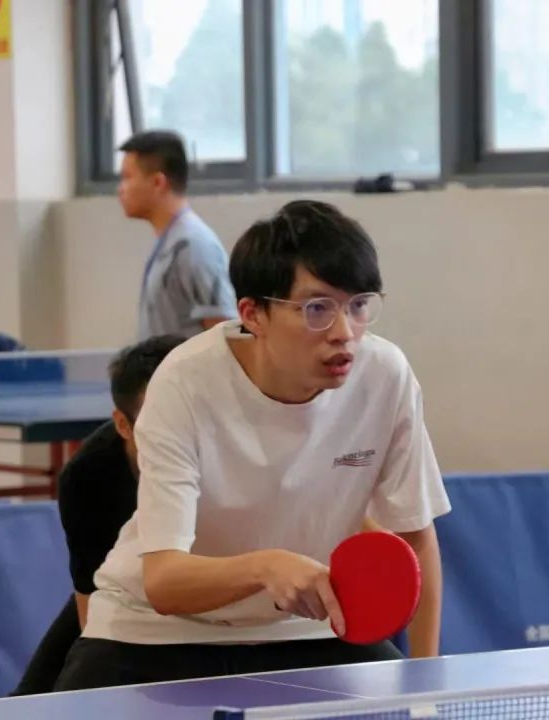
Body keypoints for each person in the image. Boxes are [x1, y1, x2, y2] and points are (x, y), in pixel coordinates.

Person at [54, 199, 451, 691]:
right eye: (317, 309)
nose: (345, 333)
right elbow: (163, 582)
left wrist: (427, 685)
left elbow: (415, 538)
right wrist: (266, 567)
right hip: (153, 633)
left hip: (307, 626)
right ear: (253, 314)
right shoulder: (183, 383)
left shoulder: (385, 376)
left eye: (358, 306)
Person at [11, 335, 186, 695]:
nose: (178, 435)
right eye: (157, 421)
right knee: (34, 695)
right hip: (121, 592)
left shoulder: (232, 450)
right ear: (123, 424)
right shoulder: (87, 477)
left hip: (213, 595)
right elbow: (91, 604)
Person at [117, 130, 237, 340]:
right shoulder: (169, 242)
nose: (120, 189)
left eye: (127, 178)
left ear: (158, 183)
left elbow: (224, 333)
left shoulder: (194, 246)